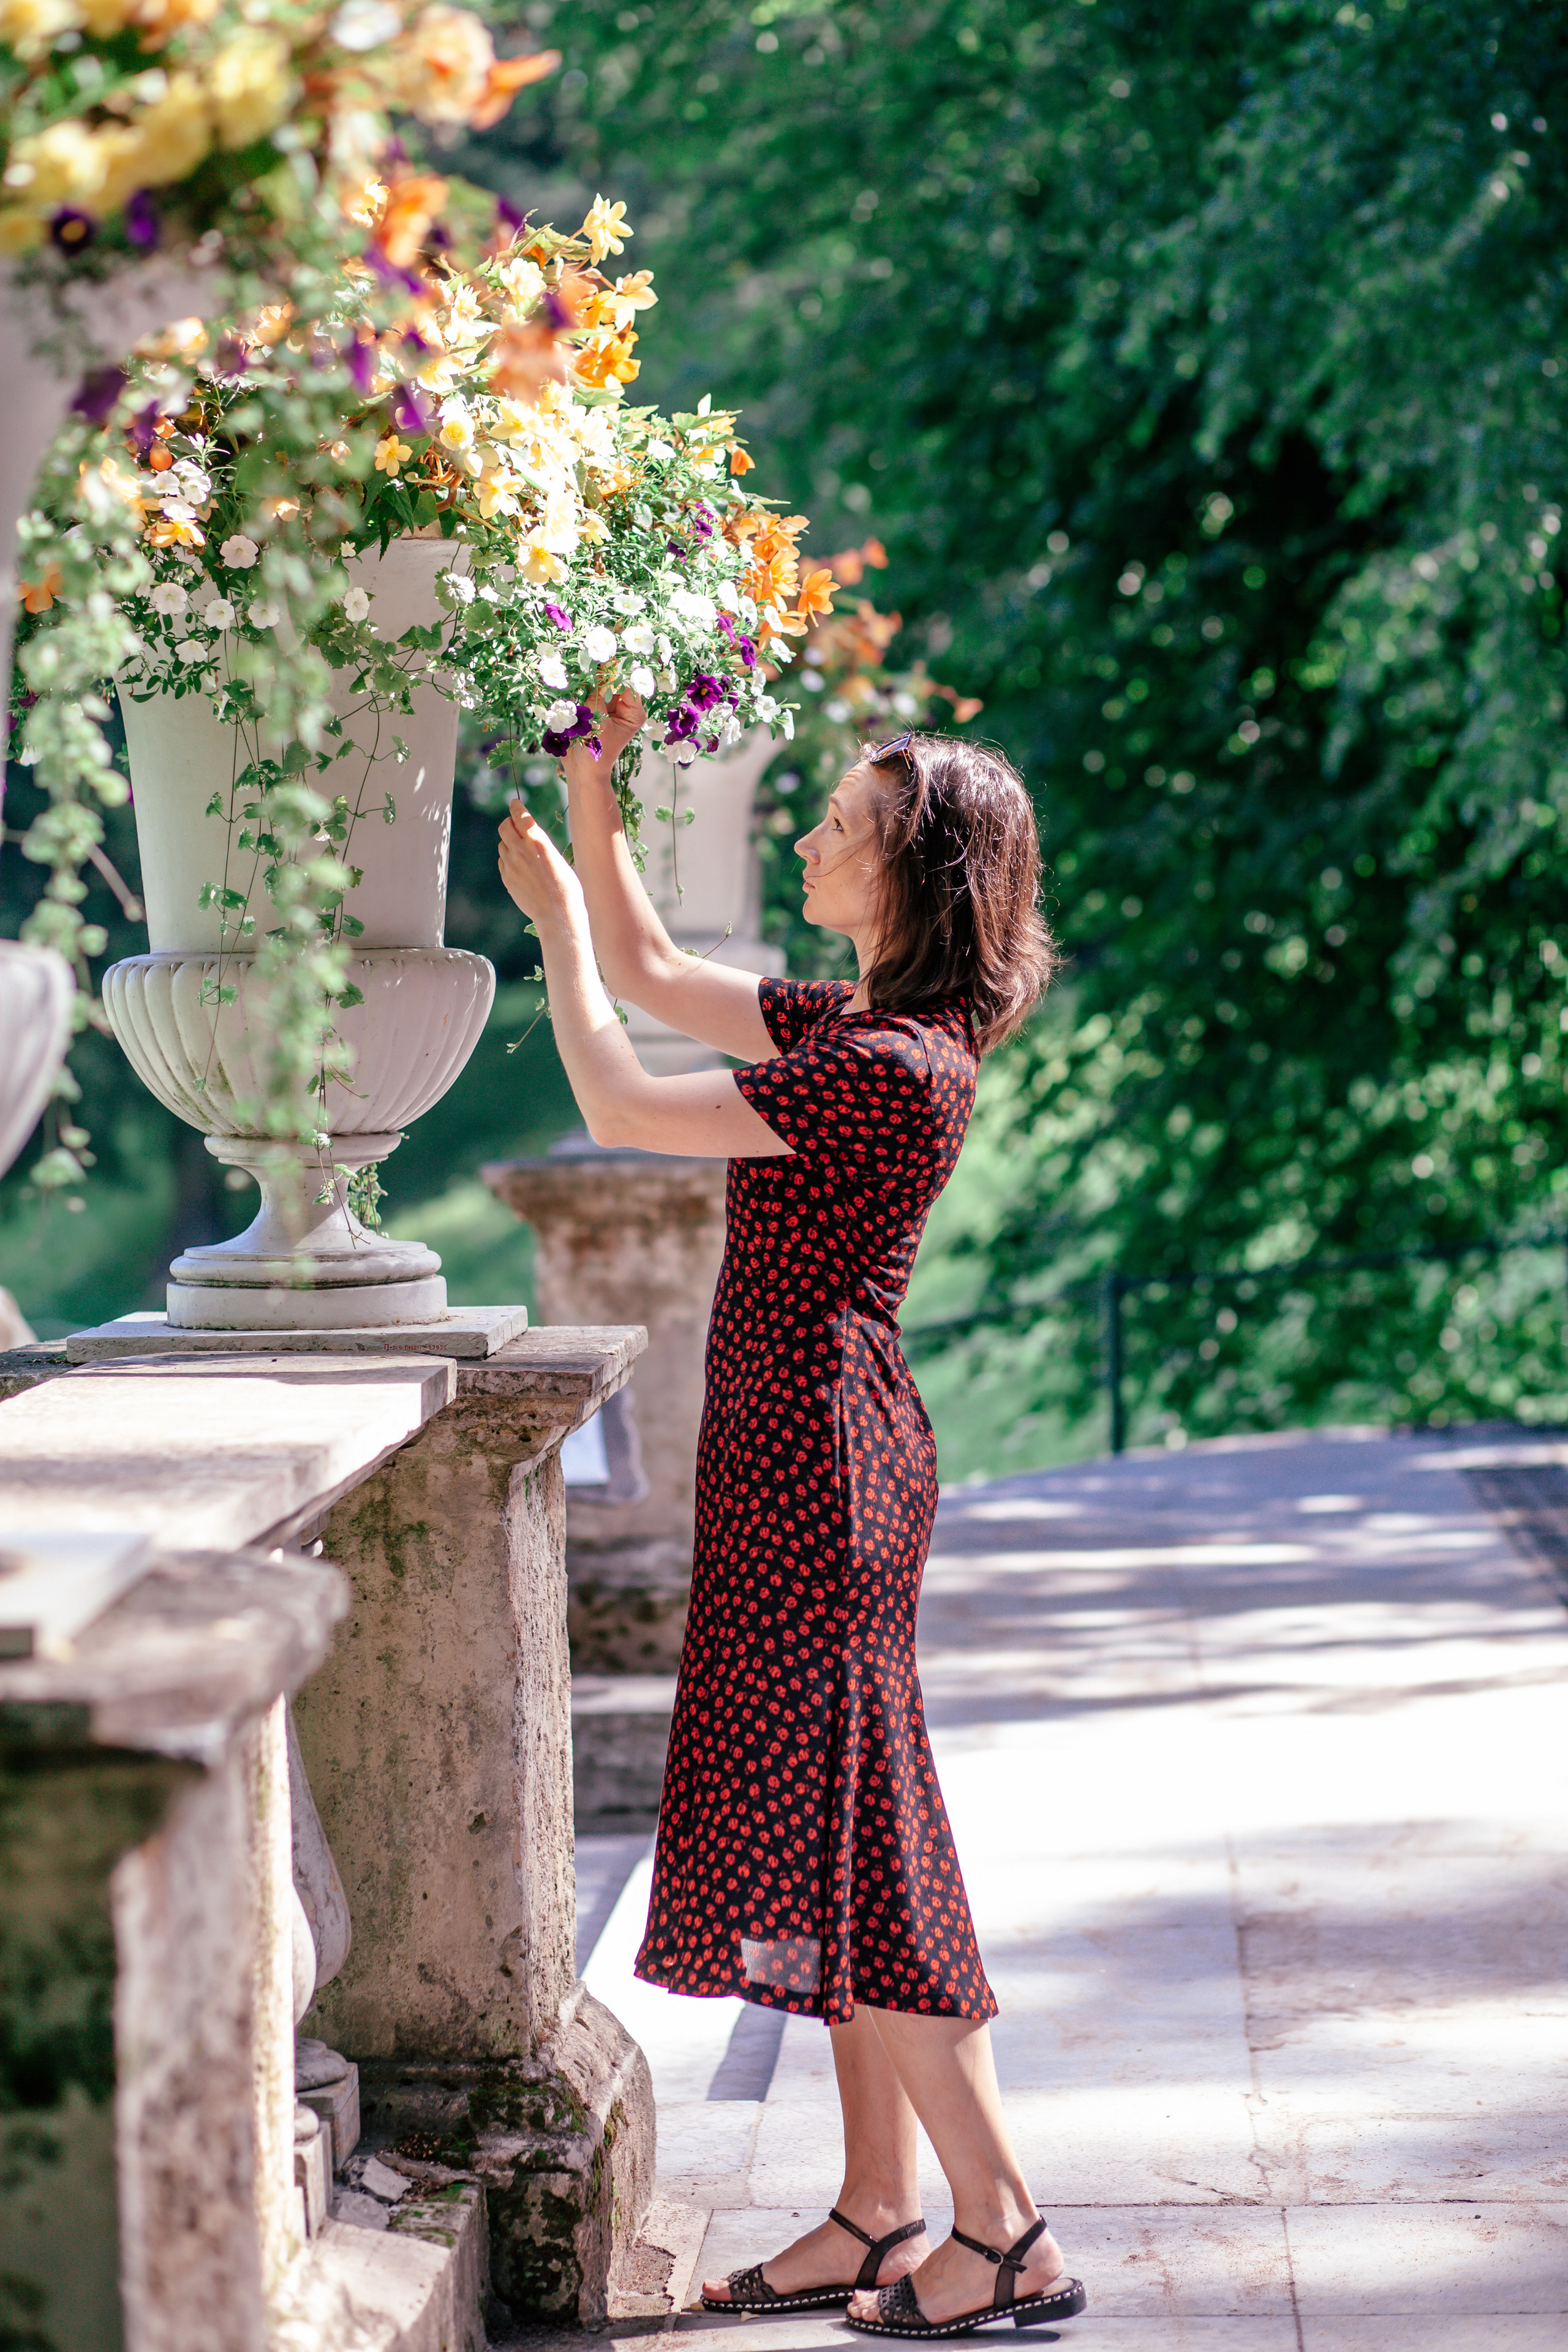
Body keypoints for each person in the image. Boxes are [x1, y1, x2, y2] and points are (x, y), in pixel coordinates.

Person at [497, 692, 1086, 2340]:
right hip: (792, 1458)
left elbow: (621, 1102)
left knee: (867, 1845)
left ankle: (1005, 2231)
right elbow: (658, 966)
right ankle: (877, 2209)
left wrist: (552, 932)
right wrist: (591, 782)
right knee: (828, 1838)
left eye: (841, 827)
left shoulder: (886, 1070)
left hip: (826, 1469)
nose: (811, 841)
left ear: (917, 874)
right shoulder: (850, 1023)